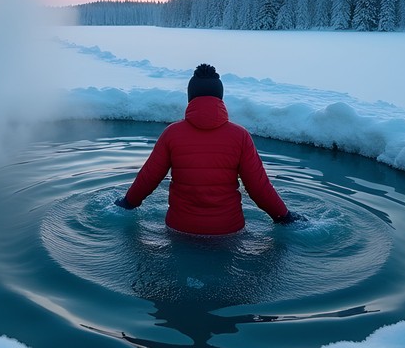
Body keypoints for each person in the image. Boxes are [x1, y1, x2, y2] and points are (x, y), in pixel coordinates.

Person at [115, 63, 300, 235]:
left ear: (190, 97)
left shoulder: (172, 134)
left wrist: (127, 203)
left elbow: (149, 177)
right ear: (220, 96)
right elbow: (259, 187)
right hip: (228, 233)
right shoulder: (240, 136)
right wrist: (284, 217)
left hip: (180, 231)